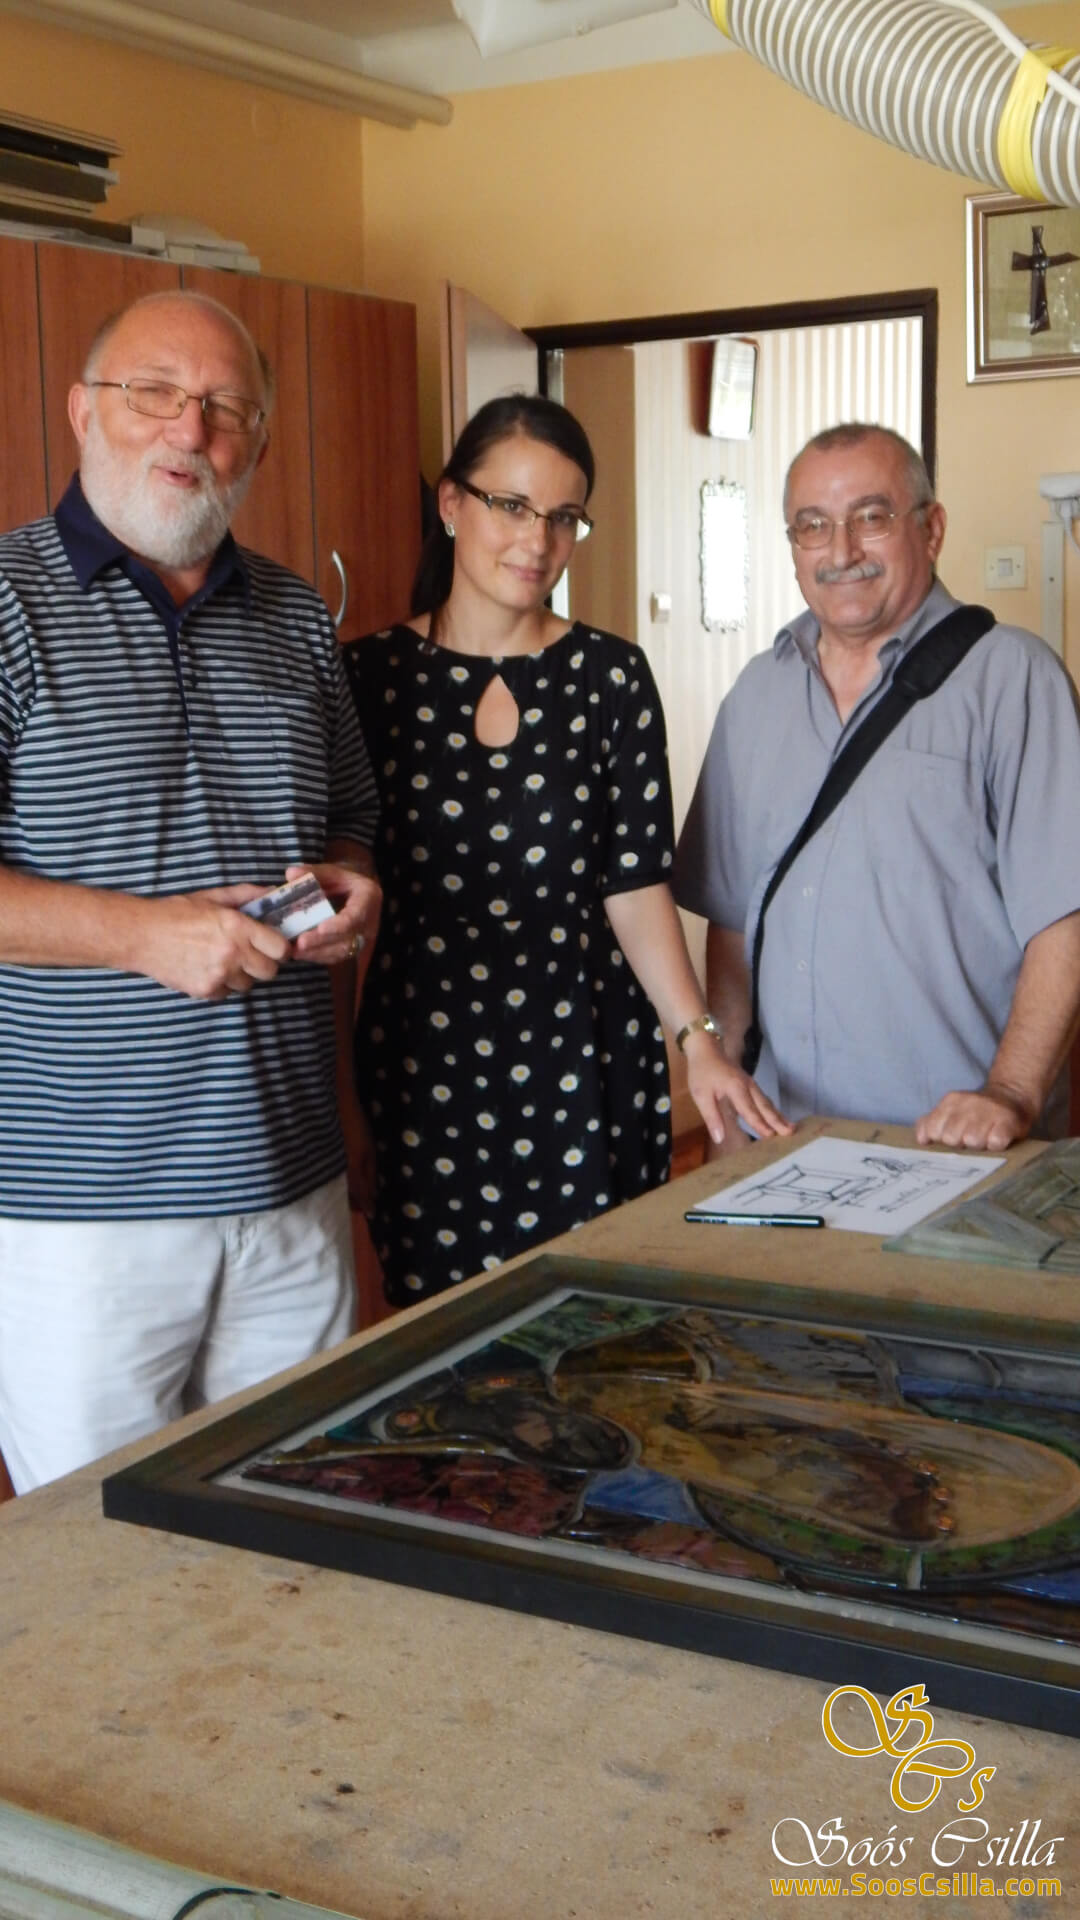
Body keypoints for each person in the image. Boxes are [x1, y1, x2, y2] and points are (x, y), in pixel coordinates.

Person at [0, 290, 382, 1493]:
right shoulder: (6, 601)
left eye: (225, 408)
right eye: (153, 393)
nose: (190, 430)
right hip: (82, 1214)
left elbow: (353, 819)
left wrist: (351, 885)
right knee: (101, 1559)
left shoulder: (295, 617)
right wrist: (142, 937)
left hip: (292, 1188)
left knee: (300, 1531)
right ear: (83, 411)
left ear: (257, 440)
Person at [342, 394, 789, 1308]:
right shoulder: (369, 678)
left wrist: (699, 1043)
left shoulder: (610, 677)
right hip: (423, 1062)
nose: (537, 540)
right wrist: (340, 1099)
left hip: (588, 1050)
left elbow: (635, 883)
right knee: (446, 1334)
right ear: (451, 503)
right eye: (511, 505)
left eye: (563, 516)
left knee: (598, 1321)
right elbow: (343, 900)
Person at [673, 421, 1080, 1154]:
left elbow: (1065, 917)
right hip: (785, 1140)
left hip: (958, 1143)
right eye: (812, 526)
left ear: (932, 529)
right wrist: (731, 1108)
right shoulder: (755, 695)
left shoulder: (1015, 680)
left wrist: (1011, 1093)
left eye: (871, 517)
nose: (841, 552)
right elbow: (732, 926)